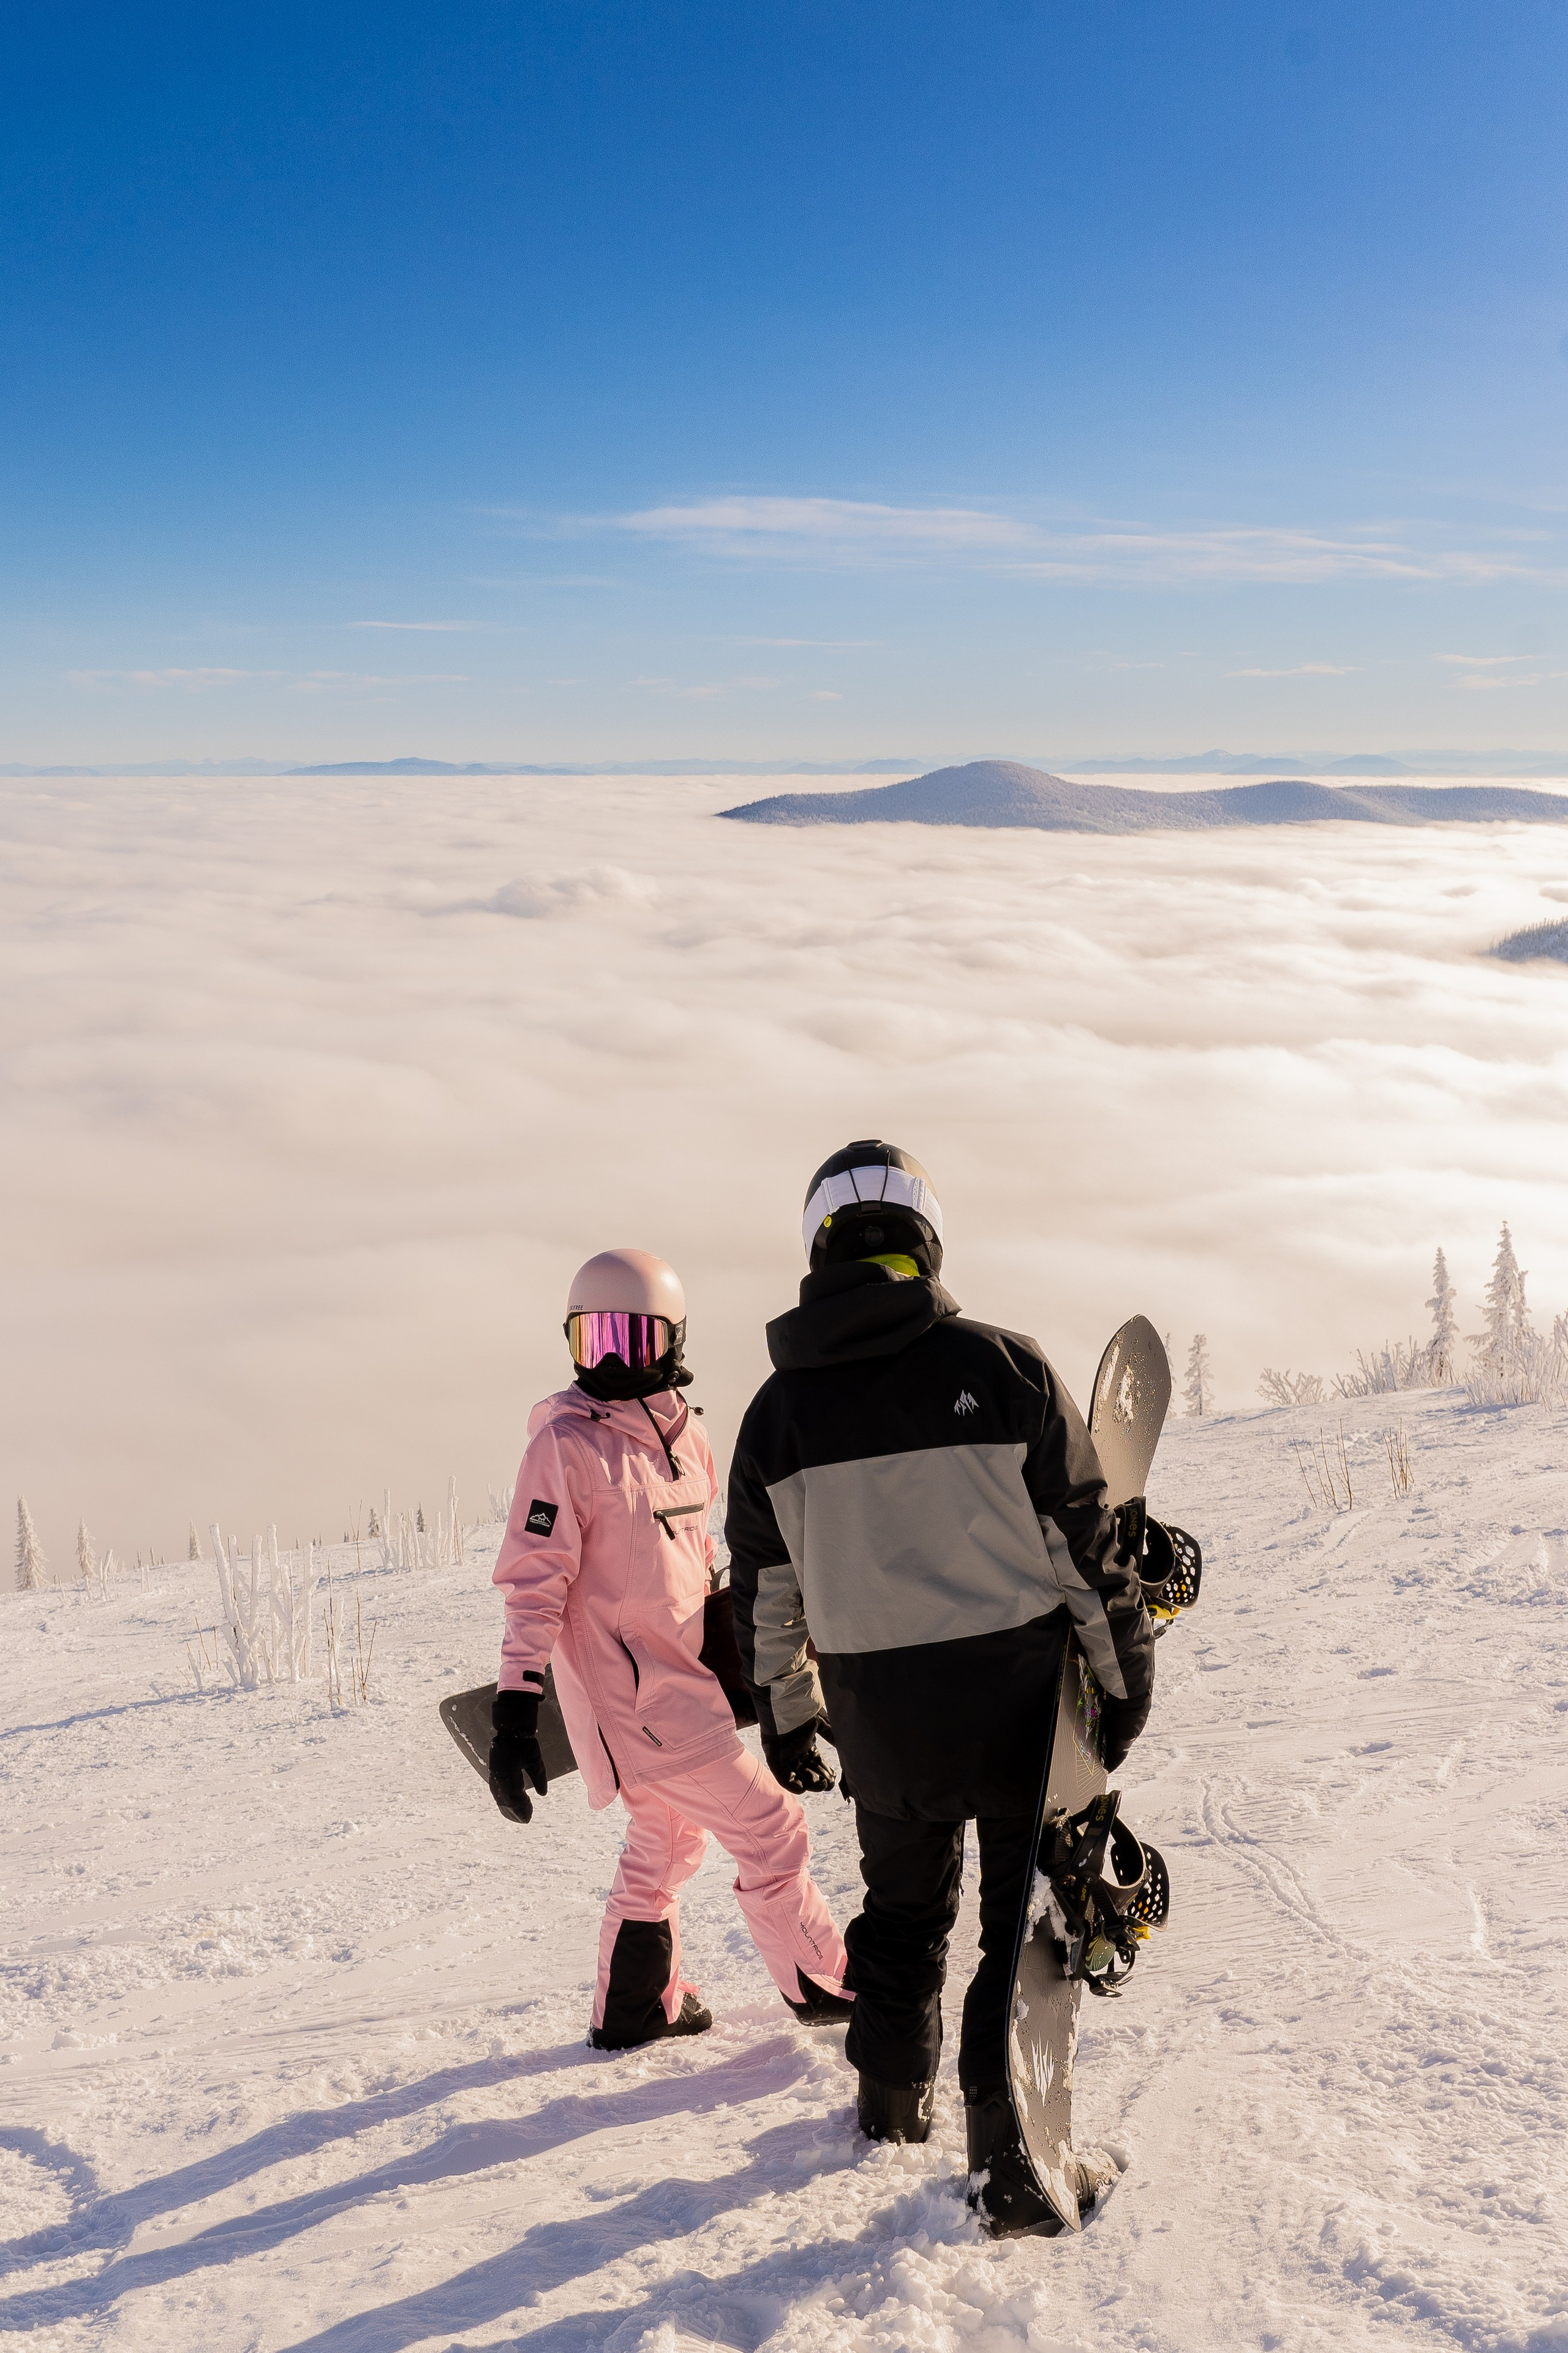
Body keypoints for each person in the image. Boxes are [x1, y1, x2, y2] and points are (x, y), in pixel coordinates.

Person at [725, 1143, 1156, 2235]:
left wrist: (786, 1715)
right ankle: (1008, 2159)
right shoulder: (1003, 1367)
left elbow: (764, 1598)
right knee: (1018, 1932)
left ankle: (888, 2103)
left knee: (905, 1916)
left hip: (882, 1725)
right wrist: (1122, 1681)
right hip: (1016, 1708)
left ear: (820, 1246)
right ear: (925, 1237)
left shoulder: (774, 1418)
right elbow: (1086, 1547)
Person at [489, 1247, 852, 2052]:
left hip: (686, 1679)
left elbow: (679, 1561)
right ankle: (823, 1980)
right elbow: (533, 1583)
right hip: (639, 1703)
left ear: (671, 1341)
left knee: (666, 1836)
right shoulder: (565, 1445)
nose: (611, 1359)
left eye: (630, 1337)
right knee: (770, 1825)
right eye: (595, 1340)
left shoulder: (691, 1439)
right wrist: (517, 1710)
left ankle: (636, 2005)